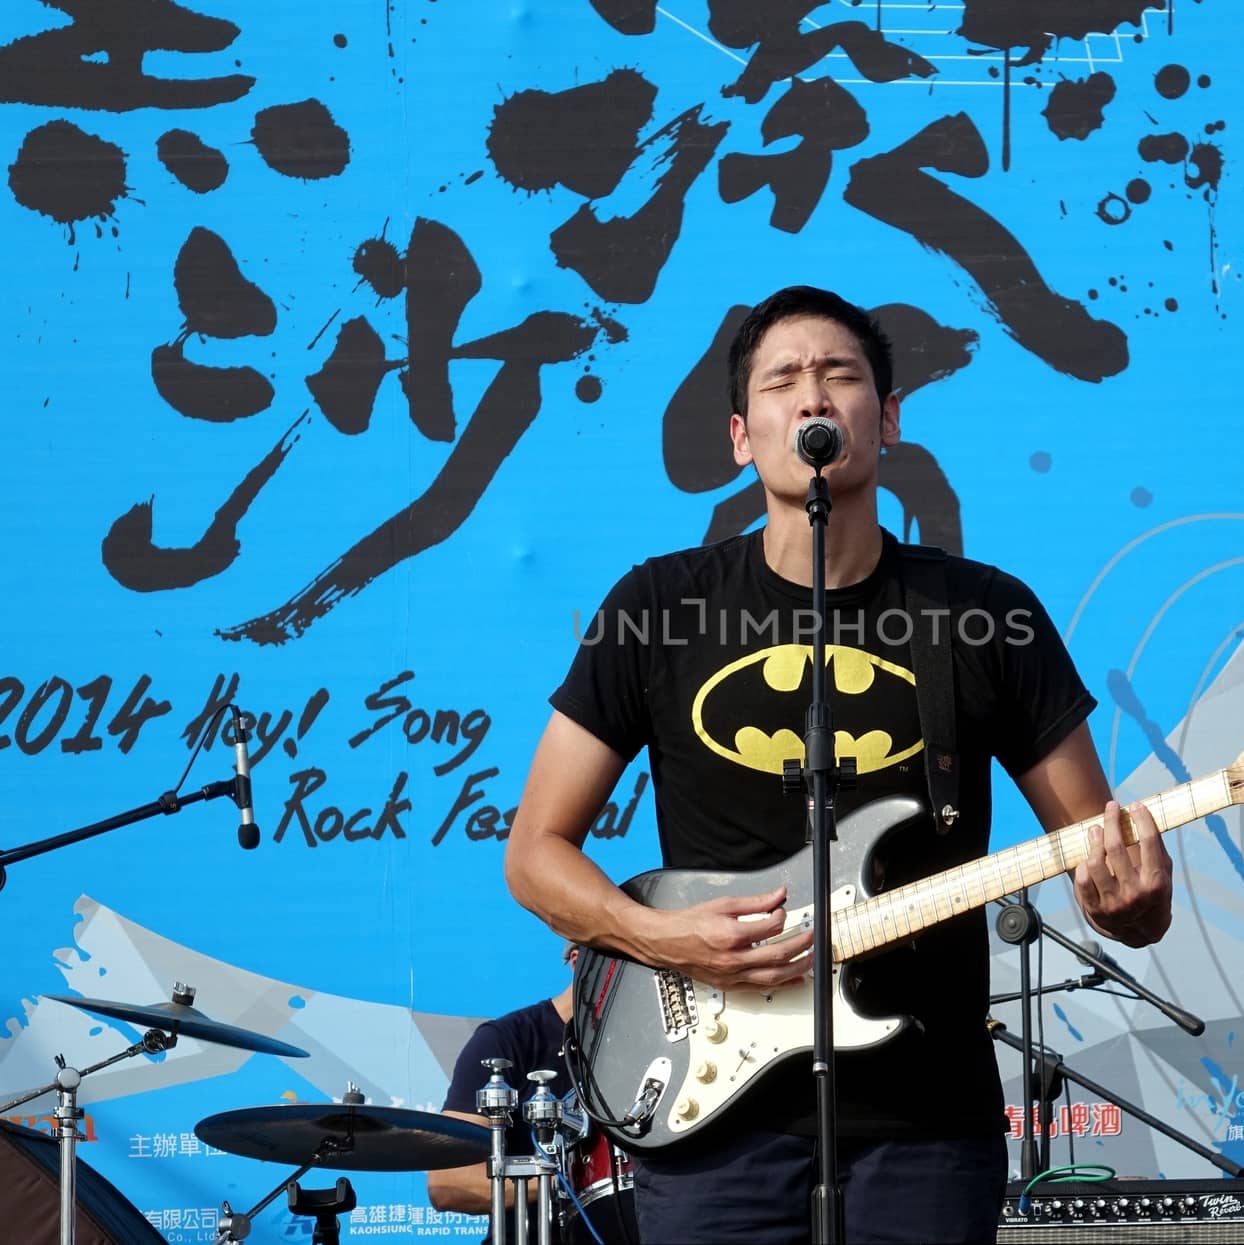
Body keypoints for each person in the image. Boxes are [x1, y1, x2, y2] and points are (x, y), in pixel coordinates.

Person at [503, 285, 1173, 1244]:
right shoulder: (658, 607)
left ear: (887, 417)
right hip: (711, 1117)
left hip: (927, 1119)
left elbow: (1100, 852)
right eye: (782, 380)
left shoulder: (985, 615)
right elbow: (534, 852)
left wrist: (1134, 902)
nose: (812, 396)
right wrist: (663, 940)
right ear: (743, 435)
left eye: (840, 375)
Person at [429, 944, 636, 1244]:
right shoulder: (505, 1043)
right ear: (579, 963)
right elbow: (447, 1183)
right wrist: (572, 1181)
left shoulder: (655, 1046)